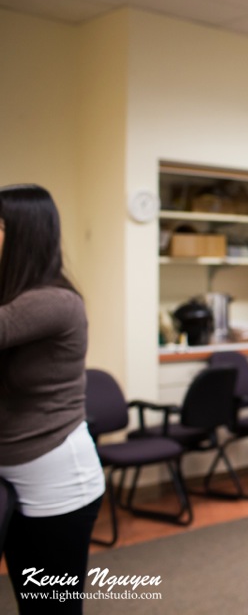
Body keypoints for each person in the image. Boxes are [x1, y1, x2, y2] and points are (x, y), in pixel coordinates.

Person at [0, 184, 104, 614]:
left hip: (59, 483)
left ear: (23, 233)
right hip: (15, 477)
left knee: (52, 609)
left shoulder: (53, 302)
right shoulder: (16, 300)